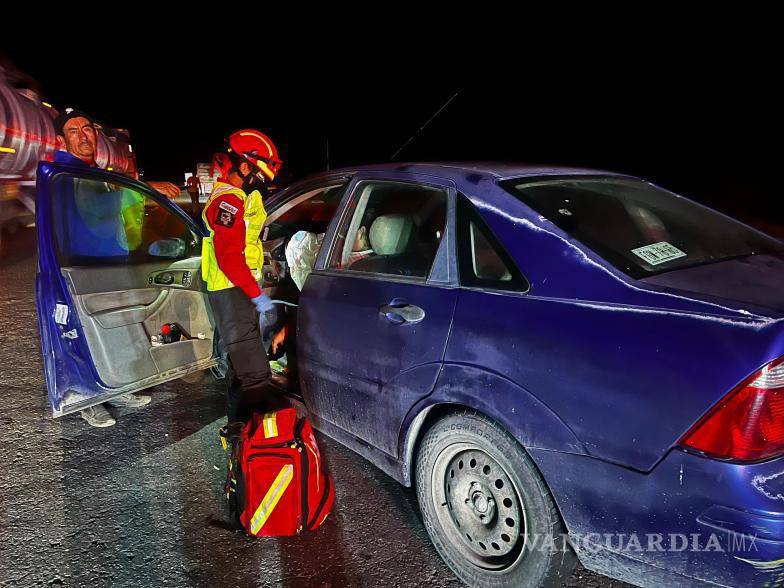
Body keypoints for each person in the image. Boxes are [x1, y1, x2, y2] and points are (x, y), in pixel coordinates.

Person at [52, 107, 181, 428]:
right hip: (83, 268)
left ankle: (116, 388)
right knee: (82, 335)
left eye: (87, 129)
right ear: (60, 139)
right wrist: (145, 189)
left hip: (109, 266)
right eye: (73, 131)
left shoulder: (92, 170)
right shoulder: (64, 173)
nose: (83, 136)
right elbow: (96, 211)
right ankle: (86, 400)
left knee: (111, 329)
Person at [201, 129, 284, 436]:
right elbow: (229, 259)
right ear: (244, 166)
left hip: (237, 290)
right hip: (231, 289)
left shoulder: (241, 198)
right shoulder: (229, 203)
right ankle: (255, 443)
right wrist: (257, 295)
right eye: (259, 174)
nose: (262, 182)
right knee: (256, 375)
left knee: (242, 367)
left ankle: (238, 431)